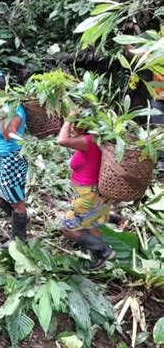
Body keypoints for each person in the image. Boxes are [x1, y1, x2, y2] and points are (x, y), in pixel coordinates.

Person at [57, 109, 115, 270]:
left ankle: (103, 250)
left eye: (75, 125)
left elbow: (61, 140)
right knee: (89, 225)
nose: (72, 128)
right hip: (96, 194)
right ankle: (99, 260)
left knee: (67, 227)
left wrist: (69, 118)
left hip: (88, 195)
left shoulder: (87, 141)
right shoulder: (96, 139)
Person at [0, 71, 28, 246]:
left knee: (17, 201)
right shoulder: (5, 107)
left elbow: (9, 135)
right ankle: (20, 221)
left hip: (13, 160)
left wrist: (1, 113)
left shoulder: (14, 108)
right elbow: (0, 135)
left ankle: (18, 240)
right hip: (4, 161)